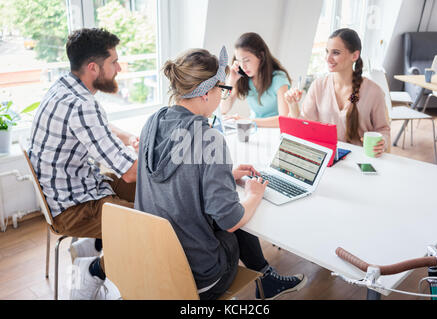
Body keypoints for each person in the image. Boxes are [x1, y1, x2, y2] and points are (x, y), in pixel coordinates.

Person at [135, 46, 307, 300]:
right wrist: (254, 193)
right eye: (222, 89)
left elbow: (177, 177)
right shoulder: (209, 139)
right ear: (206, 93)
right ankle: (266, 278)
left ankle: (267, 279)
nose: (223, 97)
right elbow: (230, 219)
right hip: (198, 276)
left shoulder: (153, 122)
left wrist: (223, 173)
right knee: (237, 223)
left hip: (152, 260)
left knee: (218, 208)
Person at [28, 28, 139, 299]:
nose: (119, 68)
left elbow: (96, 127)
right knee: (150, 225)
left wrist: (126, 137)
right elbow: (130, 172)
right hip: (72, 207)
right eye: (113, 62)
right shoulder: (83, 106)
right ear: (93, 67)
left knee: (147, 196)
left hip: (64, 192)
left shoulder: (63, 87)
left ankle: (93, 244)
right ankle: (93, 270)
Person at [285, 28, 390, 156]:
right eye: (327, 52)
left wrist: (382, 142)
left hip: (361, 160)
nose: (328, 58)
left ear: (355, 56)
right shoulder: (318, 86)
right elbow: (303, 126)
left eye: (335, 53)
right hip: (328, 158)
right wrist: (292, 104)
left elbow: (383, 129)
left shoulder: (374, 92)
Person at [220, 32, 292, 128]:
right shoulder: (244, 77)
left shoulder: (278, 79)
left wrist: (247, 121)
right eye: (239, 61)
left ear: (261, 56)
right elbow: (223, 109)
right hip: (253, 129)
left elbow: (284, 120)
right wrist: (231, 81)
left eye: (246, 60)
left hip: (273, 130)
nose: (243, 66)